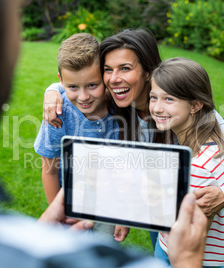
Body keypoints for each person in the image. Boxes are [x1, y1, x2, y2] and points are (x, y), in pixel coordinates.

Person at [0, 0, 208, 267]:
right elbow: (51, 159)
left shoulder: (121, 103)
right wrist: (189, 261)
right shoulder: (89, 259)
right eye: (16, 14)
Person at [43, 28, 224, 248]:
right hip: (152, 209)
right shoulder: (115, 101)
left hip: (189, 214)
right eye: (108, 70)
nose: (114, 79)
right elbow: (75, 84)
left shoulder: (182, 107)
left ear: (148, 71)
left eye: (125, 68)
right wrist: (52, 90)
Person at [34, 33, 129, 242]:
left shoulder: (120, 107)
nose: (84, 97)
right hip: (69, 204)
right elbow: (49, 170)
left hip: (108, 206)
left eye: (92, 85)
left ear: (104, 75)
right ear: (61, 80)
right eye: (73, 87)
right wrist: (58, 214)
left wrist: (123, 212)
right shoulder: (57, 113)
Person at [149, 57, 224, 267]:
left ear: (195, 105)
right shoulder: (208, 146)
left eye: (169, 99)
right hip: (171, 247)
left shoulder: (199, 167)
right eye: (153, 97)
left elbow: (192, 239)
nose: (157, 108)